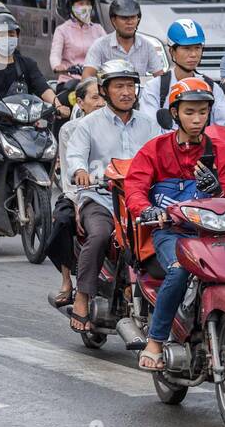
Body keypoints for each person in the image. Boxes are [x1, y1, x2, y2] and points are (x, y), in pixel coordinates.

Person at [125, 77, 225, 371]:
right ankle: (155, 340)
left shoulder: (223, 152)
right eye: (189, 112)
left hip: (213, 233)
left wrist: (218, 191)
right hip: (172, 233)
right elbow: (135, 187)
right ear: (175, 113)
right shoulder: (155, 149)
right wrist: (148, 209)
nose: (196, 119)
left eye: (202, 112)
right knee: (179, 272)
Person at [63, 60, 158, 335]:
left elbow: (161, 156)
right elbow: (76, 155)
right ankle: (82, 296)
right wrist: (80, 171)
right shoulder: (88, 124)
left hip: (140, 200)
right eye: (119, 86)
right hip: (101, 197)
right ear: (104, 91)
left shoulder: (150, 125)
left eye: (130, 85)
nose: (127, 92)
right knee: (100, 235)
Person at [0, 11, 70, 226]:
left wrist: (57, 105)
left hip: (26, 122)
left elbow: (42, 88)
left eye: (12, 33)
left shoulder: (26, 64)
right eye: (2, 34)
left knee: (50, 146)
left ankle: (43, 192)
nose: (7, 38)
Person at [143, 18, 225, 141]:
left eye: (197, 48)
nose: (193, 54)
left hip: (204, 153)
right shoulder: (154, 87)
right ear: (172, 51)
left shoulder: (211, 87)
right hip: (168, 154)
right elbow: (150, 128)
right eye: (186, 48)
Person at [48, 77, 105, 308]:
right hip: (78, 193)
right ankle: (66, 281)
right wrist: (79, 203)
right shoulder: (70, 130)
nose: (101, 102)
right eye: (95, 97)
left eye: (103, 96)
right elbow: (69, 177)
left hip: (112, 192)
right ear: (80, 103)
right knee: (63, 220)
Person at [82, 0, 166, 80]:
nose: (129, 22)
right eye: (124, 18)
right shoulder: (99, 45)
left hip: (139, 93)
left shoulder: (147, 46)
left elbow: (161, 78)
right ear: (113, 20)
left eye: (133, 17)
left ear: (138, 19)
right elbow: (86, 78)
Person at [49, 0, 106, 77]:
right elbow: (55, 54)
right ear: (71, 6)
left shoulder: (98, 29)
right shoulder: (62, 30)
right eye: (81, 3)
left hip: (93, 79)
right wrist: (57, 66)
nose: (85, 7)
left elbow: (107, 52)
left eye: (88, 4)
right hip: (69, 79)